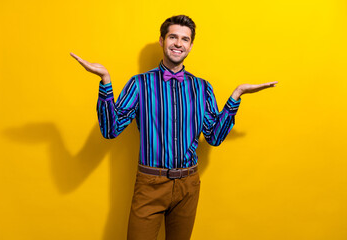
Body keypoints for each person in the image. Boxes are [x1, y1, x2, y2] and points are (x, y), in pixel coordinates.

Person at [70, 14, 277, 240]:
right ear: (162, 40)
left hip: (188, 186)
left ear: (190, 45)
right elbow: (111, 130)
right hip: (150, 184)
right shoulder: (139, 84)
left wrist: (236, 96)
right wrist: (105, 80)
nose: (178, 43)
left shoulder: (202, 87)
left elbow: (214, 137)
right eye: (173, 37)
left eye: (185, 39)